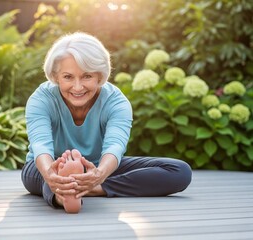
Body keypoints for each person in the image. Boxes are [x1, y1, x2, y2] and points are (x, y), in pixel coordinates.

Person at [21, 32, 192, 213]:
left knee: (179, 171)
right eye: (68, 77)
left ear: (100, 75)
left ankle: (90, 190)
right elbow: (41, 145)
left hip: (98, 166)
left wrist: (99, 175)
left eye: (87, 76)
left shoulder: (116, 101)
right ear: (56, 76)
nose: (77, 87)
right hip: (46, 166)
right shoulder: (41, 99)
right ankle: (60, 191)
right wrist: (50, 174)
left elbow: (115, 146)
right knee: (49, 177)